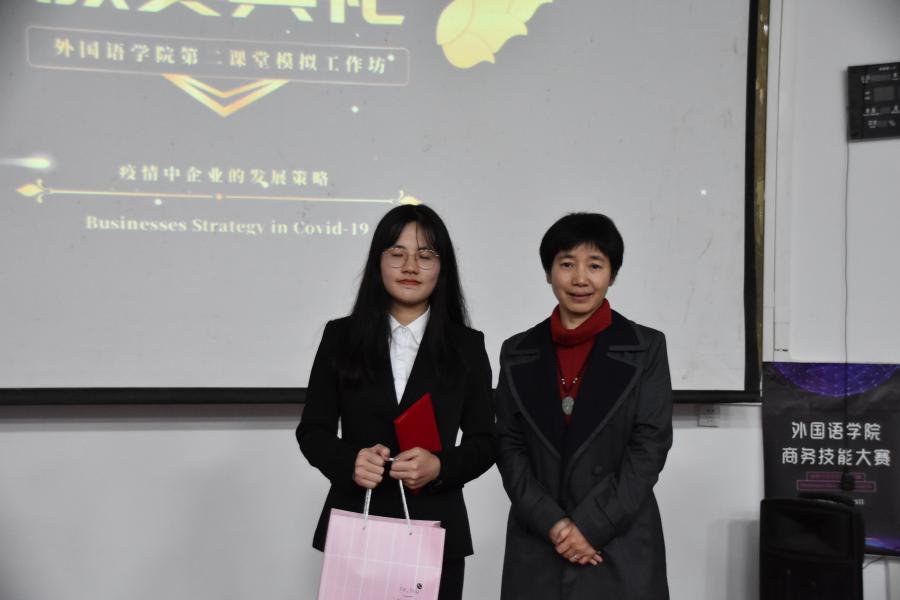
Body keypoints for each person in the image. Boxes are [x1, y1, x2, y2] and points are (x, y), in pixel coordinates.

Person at [296, 204, 495, 600]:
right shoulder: (340, 337)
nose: (410, 266)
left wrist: (439, 466)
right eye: (397, 253)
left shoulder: (467, 347)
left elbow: (486, 441)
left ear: (442, 267)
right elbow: (313, 431)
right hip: (357, 524)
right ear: (378, 262)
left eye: (425, 255)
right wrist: (350, 461)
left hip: (436, 531)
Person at [495, 212, 673, 599]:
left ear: (612, 274)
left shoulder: (646, 348)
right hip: (539, 541)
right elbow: (509, 445)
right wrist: (555, 524)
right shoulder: (517, 351)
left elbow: (649, 447)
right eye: (566, 264)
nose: (580, 279)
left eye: (594, 265)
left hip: (618, 542)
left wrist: (590, 527)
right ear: (548, 273)